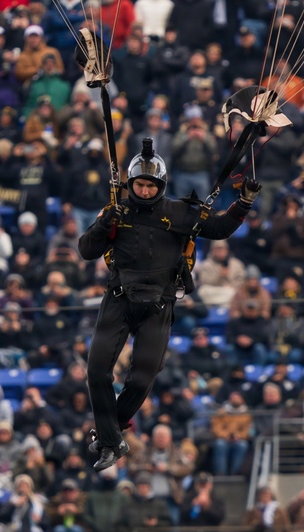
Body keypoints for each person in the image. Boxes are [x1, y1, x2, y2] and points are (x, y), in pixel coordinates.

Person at [78, 138, 261, 470]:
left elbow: (219, 228)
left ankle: (109, 436)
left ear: (160, 186)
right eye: (140, 185)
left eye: (151, 186)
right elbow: (86, 250)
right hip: (118, 298)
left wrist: (244, 203)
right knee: (96, 371)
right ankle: (110, 440)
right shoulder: (115, 211)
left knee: (143, 377)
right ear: (131, 183)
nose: (145, 191)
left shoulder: (179, 212)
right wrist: (105, 223)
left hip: (159, 304)